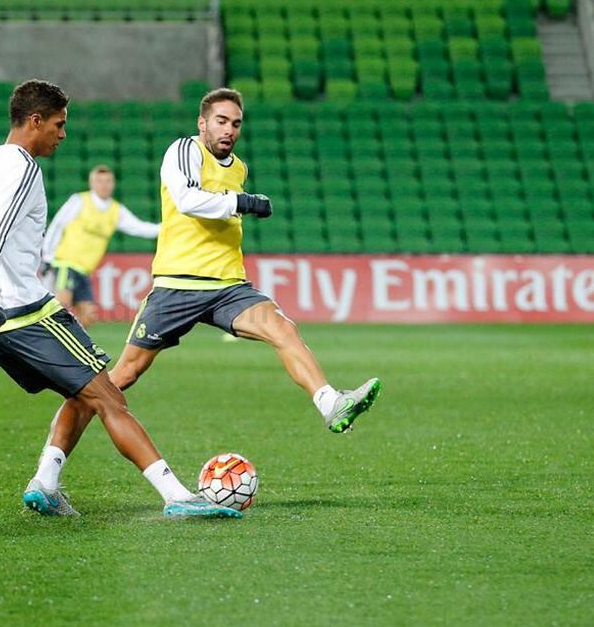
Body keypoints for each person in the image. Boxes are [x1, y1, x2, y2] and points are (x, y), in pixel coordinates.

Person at [33, 88, 382, 483]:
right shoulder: (184, 150)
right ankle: (48, 471)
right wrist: (243, 202)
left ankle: (329, 402)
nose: (229, 129)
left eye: (235, 123)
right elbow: (186, 200)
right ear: (202, 123)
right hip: (178, 285)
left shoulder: (239, 168)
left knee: (282, 328)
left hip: (228, 285)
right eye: (221, 120)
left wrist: (239, 199)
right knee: (115, 380)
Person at [0, 79, 239, 519]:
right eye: (58, 123)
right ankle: (177, 496)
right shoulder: (22, 167)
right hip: (18, 308)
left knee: (85, 391)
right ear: (34, 121)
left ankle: (45, 483)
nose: (62, 134)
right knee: (108, 397)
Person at [42, 165, 160, 326]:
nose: (104, 185)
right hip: (66, 262)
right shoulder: (79, 201)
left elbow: (139, 227)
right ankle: (48, 343)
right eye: (100, 181)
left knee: (88, 316)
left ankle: (73, 347)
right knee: (62, 303)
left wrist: (167, 227)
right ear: (92, 183)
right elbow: (57, 226)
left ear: (113, 184)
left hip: (84, 269)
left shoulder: (115, 210)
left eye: (108, 181)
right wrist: (47, 256)